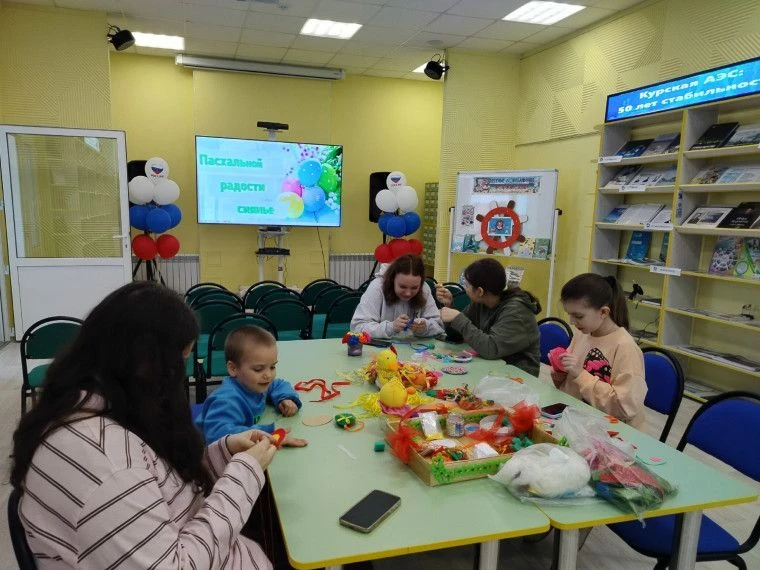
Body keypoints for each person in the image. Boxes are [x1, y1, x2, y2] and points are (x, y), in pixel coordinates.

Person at [11, 282, 277, 569]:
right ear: (150, 365)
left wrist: (225, 452)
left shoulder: (107, 405)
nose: (180, 377)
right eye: (180, 362)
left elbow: (164, 488)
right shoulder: (107, 466)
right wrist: (242, 476)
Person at [553, 273, 647, 428]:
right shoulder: (583, 334)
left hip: (613, 432)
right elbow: (569, 388)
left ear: (603, 312)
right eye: (569, 315)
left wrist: (580, 375)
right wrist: (560, 371)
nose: (571, 322)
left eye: (578, 316)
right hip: (577, 420)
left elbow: (625, 408)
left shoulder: (625, 347)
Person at [195, 326, 308, 446]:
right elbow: (218, 436)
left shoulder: (254, 384)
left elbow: (278, 384)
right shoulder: (227, 401)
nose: (268, 375)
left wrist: (285, 398)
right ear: (233, 369)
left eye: (272, 367)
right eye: (258, 369)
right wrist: (266, 433)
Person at [436, 258, 541, 376]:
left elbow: (491, 349)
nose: (464, 288)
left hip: (518, 375)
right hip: (491, 367)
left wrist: (458, 318)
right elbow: (456, 335)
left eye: (467, 285)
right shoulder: (481, 302)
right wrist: (450, 307)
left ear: (480, 291)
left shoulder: (517, 311)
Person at [351, 254, 444, 338]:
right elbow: (357, 327)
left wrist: (425, 328)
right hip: (380, 350)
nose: (408, 293)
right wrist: (391, 327)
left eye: (414, 288)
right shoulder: (377, 287)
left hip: (414, 349)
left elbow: (439, 325)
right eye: (402, 286)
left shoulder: (424, 288)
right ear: (392, 280)